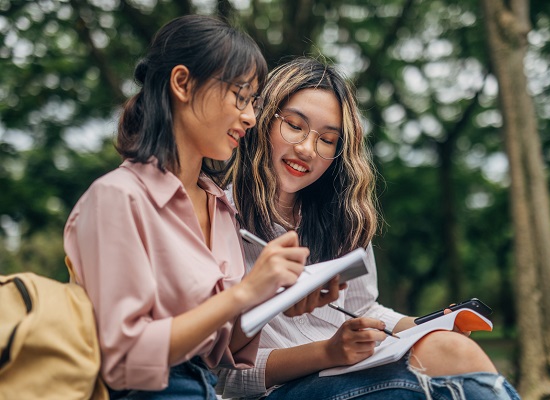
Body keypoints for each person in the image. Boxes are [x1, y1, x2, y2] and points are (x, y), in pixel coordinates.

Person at [217, 57, 521, 399]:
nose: (306, 149)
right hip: (281, 390)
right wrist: (327, 352)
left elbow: (365, 309)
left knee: (448, 347)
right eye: (294, 125)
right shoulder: (218, 216)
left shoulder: (341, 220)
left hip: (349, 371)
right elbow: (222, 375)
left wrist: (426, 325)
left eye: (327, 139)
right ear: (261, 119)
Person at [63, 16, 310, 400]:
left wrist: (275, 291)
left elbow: (224, 350)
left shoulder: (221, 207)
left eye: (254, 104)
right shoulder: (117, 197)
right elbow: (124, 358)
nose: (250, 117)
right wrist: (243, 294)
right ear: (182, 83)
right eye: (240, 98)